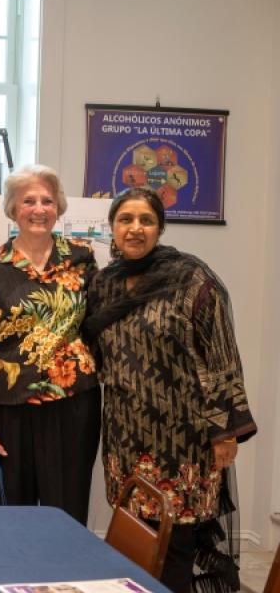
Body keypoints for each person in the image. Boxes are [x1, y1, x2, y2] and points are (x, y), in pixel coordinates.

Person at [83, 187, 257, 593]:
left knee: (176, 542)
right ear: (112, 226)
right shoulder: (104, 285)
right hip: (125, 436)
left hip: (184, 440)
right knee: (135, 541)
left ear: (160, 228)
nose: (135, 228)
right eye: (126, 219)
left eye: (146, 220)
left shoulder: (192, 279)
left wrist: (225, 432)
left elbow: (221, 357)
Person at [0, 164, 101, 523]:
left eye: (47, 200)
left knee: (68, 510)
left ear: (58, 207)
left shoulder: (83, 260)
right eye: (29, 201)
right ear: (13, 209)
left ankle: (66, 577)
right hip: (7, 407)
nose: (39, 209)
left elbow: (100, 327)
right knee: (10, 515)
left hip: (73, 404)